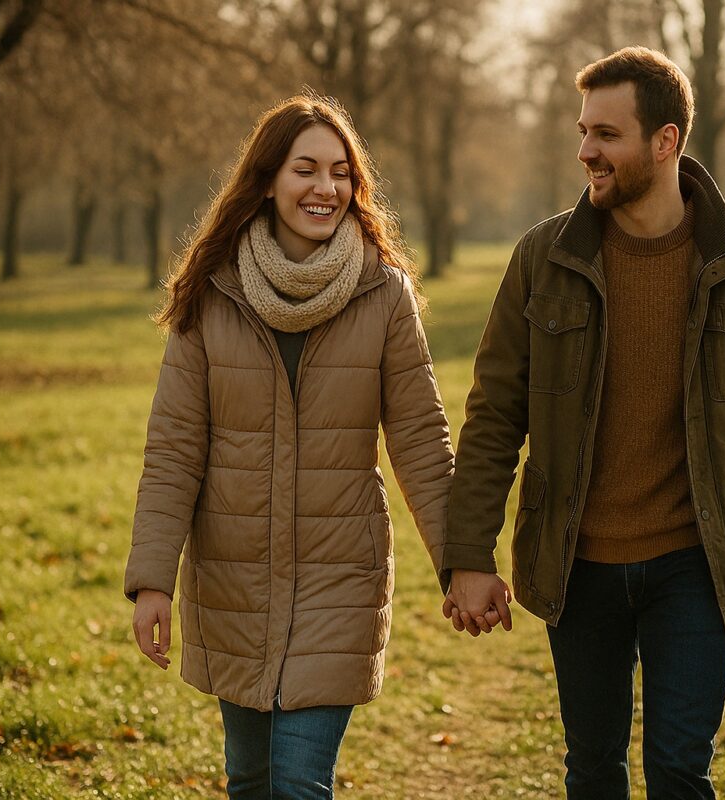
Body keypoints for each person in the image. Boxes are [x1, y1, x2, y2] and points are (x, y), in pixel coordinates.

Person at [441, 46, 725, 799]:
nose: (586, 150)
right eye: (583, 132)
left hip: (698, 562)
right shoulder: (541, 258)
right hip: (577, 560)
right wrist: (467, 555)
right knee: (592, 768)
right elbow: (493, 419)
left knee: (681, 769)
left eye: (607, 135)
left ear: (665, 141)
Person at [123, 92, 454, 800]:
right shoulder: (211, 296)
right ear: (268, 179)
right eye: (306, 169)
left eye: (341, 173)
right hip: (234, 579)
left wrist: (463, 564)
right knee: (250, 782)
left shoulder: (384, 295)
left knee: (299, 784)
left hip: (340, 578)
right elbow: (174, 448)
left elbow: (422, 440)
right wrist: (152, 580)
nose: (325, 188)